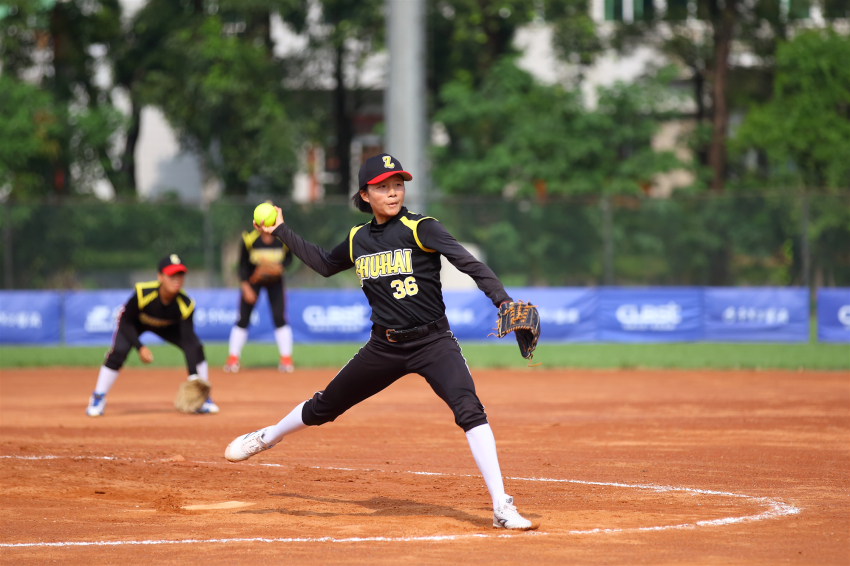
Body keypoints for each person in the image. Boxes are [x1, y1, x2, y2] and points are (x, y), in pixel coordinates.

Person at [223, 154, 534, 530]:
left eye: (398, 184)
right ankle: (267, 436)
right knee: (325, 406)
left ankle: (501, 506)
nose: (393, 192)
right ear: (364, 195)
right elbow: (324, 264)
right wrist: (282, 231)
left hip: (433, 343)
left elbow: (468, 263)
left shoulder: (422, 228)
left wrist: (503, 301)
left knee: (469, 409)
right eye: (382, 186)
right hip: (384, 347)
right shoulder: (358, 238)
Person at [85, 254, 218, 417]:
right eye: (171, 275)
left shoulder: (186, 303)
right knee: (119, 351)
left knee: (197, 347)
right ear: (160, 277)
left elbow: (188, 340)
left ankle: (202, 397)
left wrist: (193, 378)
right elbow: (125, 321)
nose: (176, 279)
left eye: (180, 274)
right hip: (135, 325)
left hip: (167, 327)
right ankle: (98, 397)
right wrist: (140, 347)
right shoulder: (143, 293)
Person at [223, 224, 295, 373]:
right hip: (253, 280)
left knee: (279, 317)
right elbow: (242, 265)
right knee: (243, 318)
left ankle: (286, 358)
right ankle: (233, 358)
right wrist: (245, 286)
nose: (266, 226)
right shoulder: (250, 240)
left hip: (275, 282)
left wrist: (281, 267)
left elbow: (289, 259)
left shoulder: (282, 239)